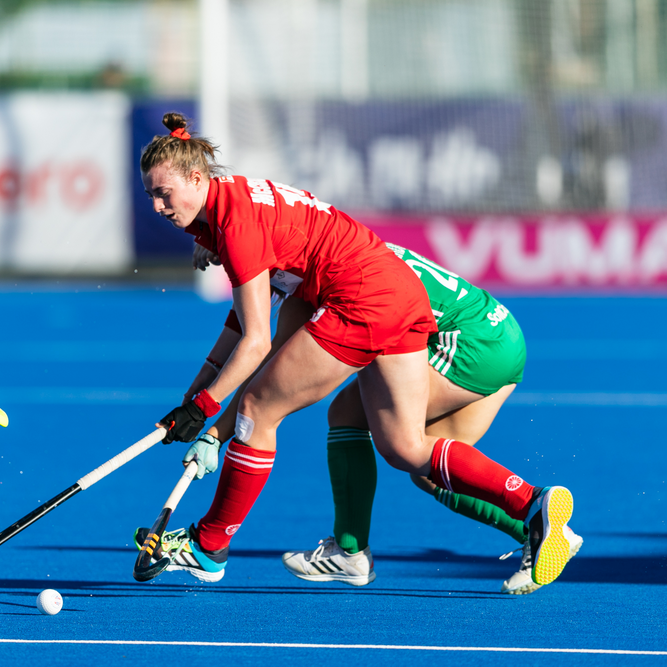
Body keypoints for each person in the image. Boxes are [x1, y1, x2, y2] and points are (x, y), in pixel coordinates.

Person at [136, 112, 575, 590]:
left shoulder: (240, 229)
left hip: (384, 308)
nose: (157, 206)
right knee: (403, 446)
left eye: (164, 194)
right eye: (151, 196)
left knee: (260, 409)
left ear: (196, 178)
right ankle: (531, 506)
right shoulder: (246, 210)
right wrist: (199, 407)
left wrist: (207, 414)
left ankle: (209, 546)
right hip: (398, 295)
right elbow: (249, 334)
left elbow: (258, 343)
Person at [185, 242, 582, 594]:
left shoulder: (311, 282)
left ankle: (352, 551)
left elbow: (268, 376)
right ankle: (542, 531)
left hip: (466, 342)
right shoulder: (328, 246)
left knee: (367, 425)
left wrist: (216, 432)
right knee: (429, 472)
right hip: (499, 331)